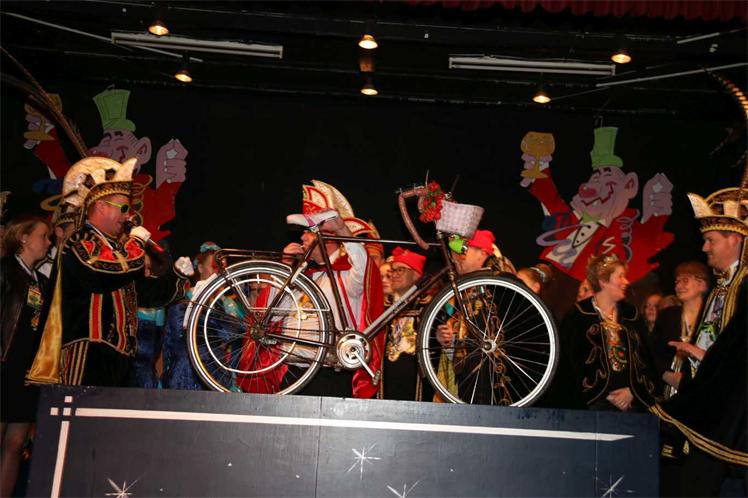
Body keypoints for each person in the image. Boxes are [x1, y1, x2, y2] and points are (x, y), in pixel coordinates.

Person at [26, 156, 193, 387]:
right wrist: (135, 243)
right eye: (123, 208)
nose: (128, 216)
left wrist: (177, 275)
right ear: (101, 206)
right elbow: (102, 273)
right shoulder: (80, 240)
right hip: (89, 351)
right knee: (82, 409)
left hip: (121, 357)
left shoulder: (118, 250)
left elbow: (146, 294)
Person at [650, 187, 747, 496]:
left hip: (732, 410)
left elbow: (738, 352)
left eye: (711, 241)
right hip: (710, 400)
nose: (704, 248)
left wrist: (703, 358)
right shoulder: (720, 288)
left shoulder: (745, 286)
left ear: (735, 240)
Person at [556, 253, 656, 411]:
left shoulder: (632, 315)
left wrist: (632, 391)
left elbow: (646, 359)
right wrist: (602, 393)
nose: (626, 282)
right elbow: (568, 363)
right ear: (603, 280)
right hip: (591, 405)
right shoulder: (579, 315)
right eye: (620, 276)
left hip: (632, 405)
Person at [0, 215, 52, 497]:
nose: (48, 242)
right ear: (23, 237)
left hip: (28, 371)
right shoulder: (5, 271)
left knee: (16, 443)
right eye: (43, 236)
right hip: (4, 366)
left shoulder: (41, 282)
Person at [379, 247, 434, 401]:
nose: (394, 274)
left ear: (416, 275)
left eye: (401, 270)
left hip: (418, 391)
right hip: (386, 388)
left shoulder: (430, 308)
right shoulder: (382, 309)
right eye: (393, 270)